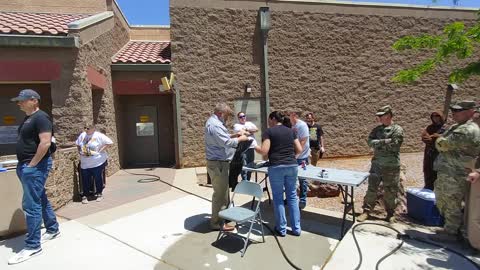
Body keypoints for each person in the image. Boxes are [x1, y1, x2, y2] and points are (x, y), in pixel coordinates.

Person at [8, 89, 60, 265]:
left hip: (34, 167)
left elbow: (45, 142)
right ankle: (52, 229)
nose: (19, 103)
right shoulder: (28, 119)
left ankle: (33, 246)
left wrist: (32, 165)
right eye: (18, 100)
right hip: (27, 166)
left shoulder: (41, 118)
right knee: (40, 198)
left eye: (22, 100)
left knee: (31, 205)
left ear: (34, 100)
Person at [430, 100, 480, 242]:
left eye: (458, 111)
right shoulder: (456, 126)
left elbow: (443, 144)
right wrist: (440, 140)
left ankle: (452, 233)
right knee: (444, 199)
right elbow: (442, 141)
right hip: (448, 171)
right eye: (454, 111)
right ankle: (451, 228)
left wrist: (439, 140)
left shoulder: (467, 129)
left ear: (471, 112)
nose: (454, 113)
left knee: (452, 202)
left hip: (456, 173)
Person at [255, 111, 302, 236]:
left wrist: (253, 144)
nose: (269, 122)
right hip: (292, 166)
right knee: (292, 197)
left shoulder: (269, 132)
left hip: (276, 167)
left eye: (269, 119)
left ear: (273, 119)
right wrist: (293, 158)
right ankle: (296, 229)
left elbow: (264, 151)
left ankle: (281, 229)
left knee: (278, 198)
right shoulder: (291, 131)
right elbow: (300, 149)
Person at [205, 103, 248, 231]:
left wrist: (235, 135)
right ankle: (217, 223)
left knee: (223, 192)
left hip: (218, 162)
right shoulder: (215, 124)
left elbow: (222, 139)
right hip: (218, 163)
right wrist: (242, 138)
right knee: (220, 194)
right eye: (227, 116)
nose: (227, 119)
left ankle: (223, 217)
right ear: (221, 113)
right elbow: (227, 143)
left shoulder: (212, 122)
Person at [357, 105, 404, 223]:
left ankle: (390, 213)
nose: (378, 118)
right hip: (377, 164)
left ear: (388, 115)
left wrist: (378, 143)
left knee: (391, 190)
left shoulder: (397, 129)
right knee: (371, 189)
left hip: (391, 165)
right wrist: (384, 141)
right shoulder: (377, 130)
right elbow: (370, 142)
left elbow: (395, 145)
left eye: (380, 116)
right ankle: (366, 211)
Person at [75, 124, 113, 204]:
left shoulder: (99, 135)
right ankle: (85, 195)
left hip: (97, 162)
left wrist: (100, 150)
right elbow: (78, 144)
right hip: (85, 162)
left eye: (88, 128)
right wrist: (80, 152)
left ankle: (99, 193)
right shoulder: (82, 135)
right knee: (85, 179)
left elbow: (109, 143)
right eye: (85, 128)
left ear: (93, 129)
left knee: (97, 177)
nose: (86, 130)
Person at [289, 111, 310, 209]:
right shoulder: (292, 126)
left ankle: (303, 199)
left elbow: (303, 140)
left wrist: (297, 154)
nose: (289, 117)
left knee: (303, 179)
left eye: (290, 115)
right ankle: (291, 198)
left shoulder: (302, 125)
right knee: (291, 178)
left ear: (294, 116)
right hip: (293, 155)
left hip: (302, 157)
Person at [421, 111, 446, 190]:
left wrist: (438, 137)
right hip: (429, 154)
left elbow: (448, 139)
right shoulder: (430, 128)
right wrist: (433, 138)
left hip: (440, 154)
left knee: (438, 173)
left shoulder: (445, 128)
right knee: (428, 171)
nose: (435, 118)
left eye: (437, 116)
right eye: (433, 116)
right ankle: (428, 189)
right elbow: (425, 138)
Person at [233, 112, 258, 181]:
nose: (243, 118)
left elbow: (256, 129)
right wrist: (249, 131)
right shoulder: (237, 125)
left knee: (250, 164)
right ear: (238, 118)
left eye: (243, 116)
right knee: (244, 164)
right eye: (240, 117)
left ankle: (248, 180)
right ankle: (244, 180)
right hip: (243, 148)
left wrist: (246, 130)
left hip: (251, 147)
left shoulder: (249, 123)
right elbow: (242, 132)